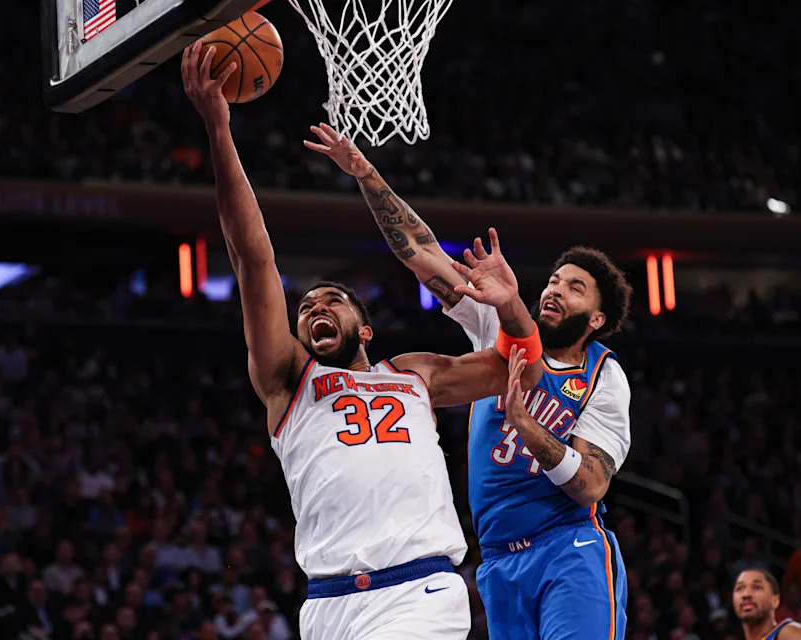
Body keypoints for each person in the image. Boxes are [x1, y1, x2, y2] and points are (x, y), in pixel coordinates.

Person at [182, 42, 542, 640]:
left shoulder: (414, 374)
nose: (315, 308)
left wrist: (510, 307)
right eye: (305, 308)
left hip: (419, 592)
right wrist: (220, 130)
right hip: (327, 606)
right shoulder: (286, 379)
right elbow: (252, 256)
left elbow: (524, 370)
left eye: (332, 301)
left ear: (364, 329)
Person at [307, 129, 633, 640]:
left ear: (596, 319)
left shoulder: (604, 375)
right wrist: (366, 175)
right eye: (553, 279)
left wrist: (530, 431)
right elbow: (420, 251)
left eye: (575, 288)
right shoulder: (498, 325)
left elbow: (591, 484)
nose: (555, 289)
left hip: (568, 546)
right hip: (498, 562)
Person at [733, 569, 801, 639]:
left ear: (775, 601)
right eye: (740, 588)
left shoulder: (787, 633)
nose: (746, 594)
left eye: (757, 587)